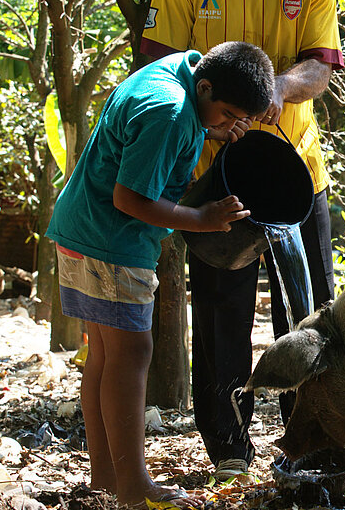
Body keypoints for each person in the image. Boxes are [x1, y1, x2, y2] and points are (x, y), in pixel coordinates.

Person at [140, 0, 345, 483]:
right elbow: (157, 71)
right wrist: (218, 119)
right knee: (222, 309)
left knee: (310, 314)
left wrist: (276, 91)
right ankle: (229, 447)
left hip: (295, 168)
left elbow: (320, 66)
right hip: (211, 170)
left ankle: (310, 439)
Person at [46, 42, 274, 508]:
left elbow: (165, 133)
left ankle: (106, 481)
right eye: (227, 114)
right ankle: (133, 488)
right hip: (112, 241)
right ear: (205, 86)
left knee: (106, 359)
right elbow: (130, 198)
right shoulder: (170, 110)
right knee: (132, 355)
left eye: (238, 120)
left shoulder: (181, 72)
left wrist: (215, 126)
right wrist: (205, 219)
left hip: (79, 230)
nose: (230, 126)